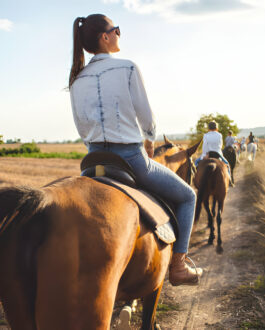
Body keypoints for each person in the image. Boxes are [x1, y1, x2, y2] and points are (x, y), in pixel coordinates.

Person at [69, 14, 202, 286]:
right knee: (188, 196)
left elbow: (82, 127)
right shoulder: (127, 67)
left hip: (91, 161)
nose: (119, 34)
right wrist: (150, 139)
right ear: (105, 37)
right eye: (116, 30)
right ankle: (178, 266)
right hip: (131, 159)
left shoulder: (76, 78)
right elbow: (146, 117)